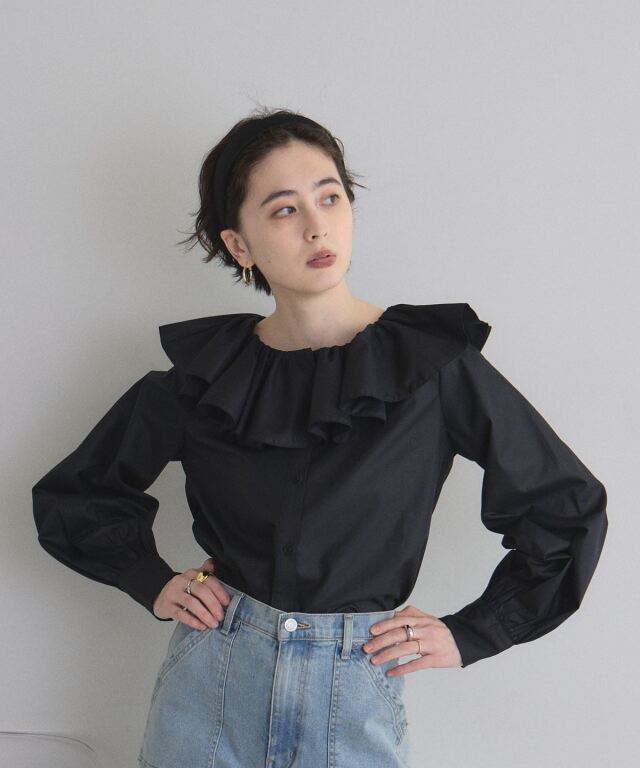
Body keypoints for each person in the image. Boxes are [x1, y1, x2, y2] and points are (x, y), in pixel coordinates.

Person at [31, 108, 608, 767]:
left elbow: (565, 507)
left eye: (330, 197)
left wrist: (473, 633)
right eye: (284, 209)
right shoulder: (205, 378)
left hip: (353, 692)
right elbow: (78, 494)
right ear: (239, 246)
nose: (316, 226)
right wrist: (152, 580)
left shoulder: (432, 369)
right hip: (211, 687)